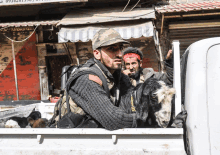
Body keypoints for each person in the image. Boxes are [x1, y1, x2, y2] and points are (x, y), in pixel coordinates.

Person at [67, 28, 139, 130]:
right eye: (112, 49)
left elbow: (134, 103)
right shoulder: (86, 80)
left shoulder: (118, 76)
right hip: (75, 141)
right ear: (97, 53)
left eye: (120, 48)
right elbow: (114, 121)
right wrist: (145, 119)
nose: (120, 54)